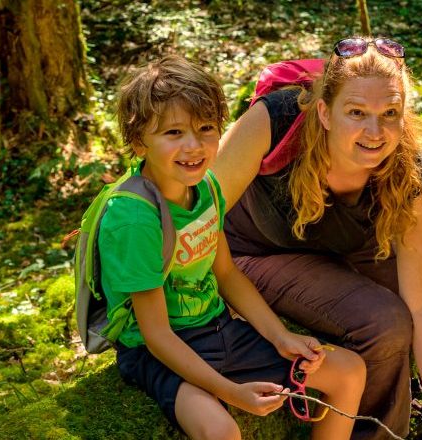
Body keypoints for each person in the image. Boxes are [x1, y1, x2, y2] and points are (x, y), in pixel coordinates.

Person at [213, 38, 422, 440]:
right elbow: (199, 214)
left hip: (347, 245)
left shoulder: (411, 171)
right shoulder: (275, 120)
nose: (374, 131)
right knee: (384, 322)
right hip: (254, 251)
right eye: (356, 112)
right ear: (324, 112)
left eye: (389, 113)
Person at [104, 55, 366, 440]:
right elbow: (157, 334)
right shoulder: (134, 218)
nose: (194, 146)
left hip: (216, 328)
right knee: (220, 431)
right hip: (156, 352)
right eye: (173, 133)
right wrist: (230, 392)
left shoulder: (206, 188)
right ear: (139, 142)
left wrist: (280, 337)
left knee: (348, 371)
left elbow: (225, 273)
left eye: (205, 129)